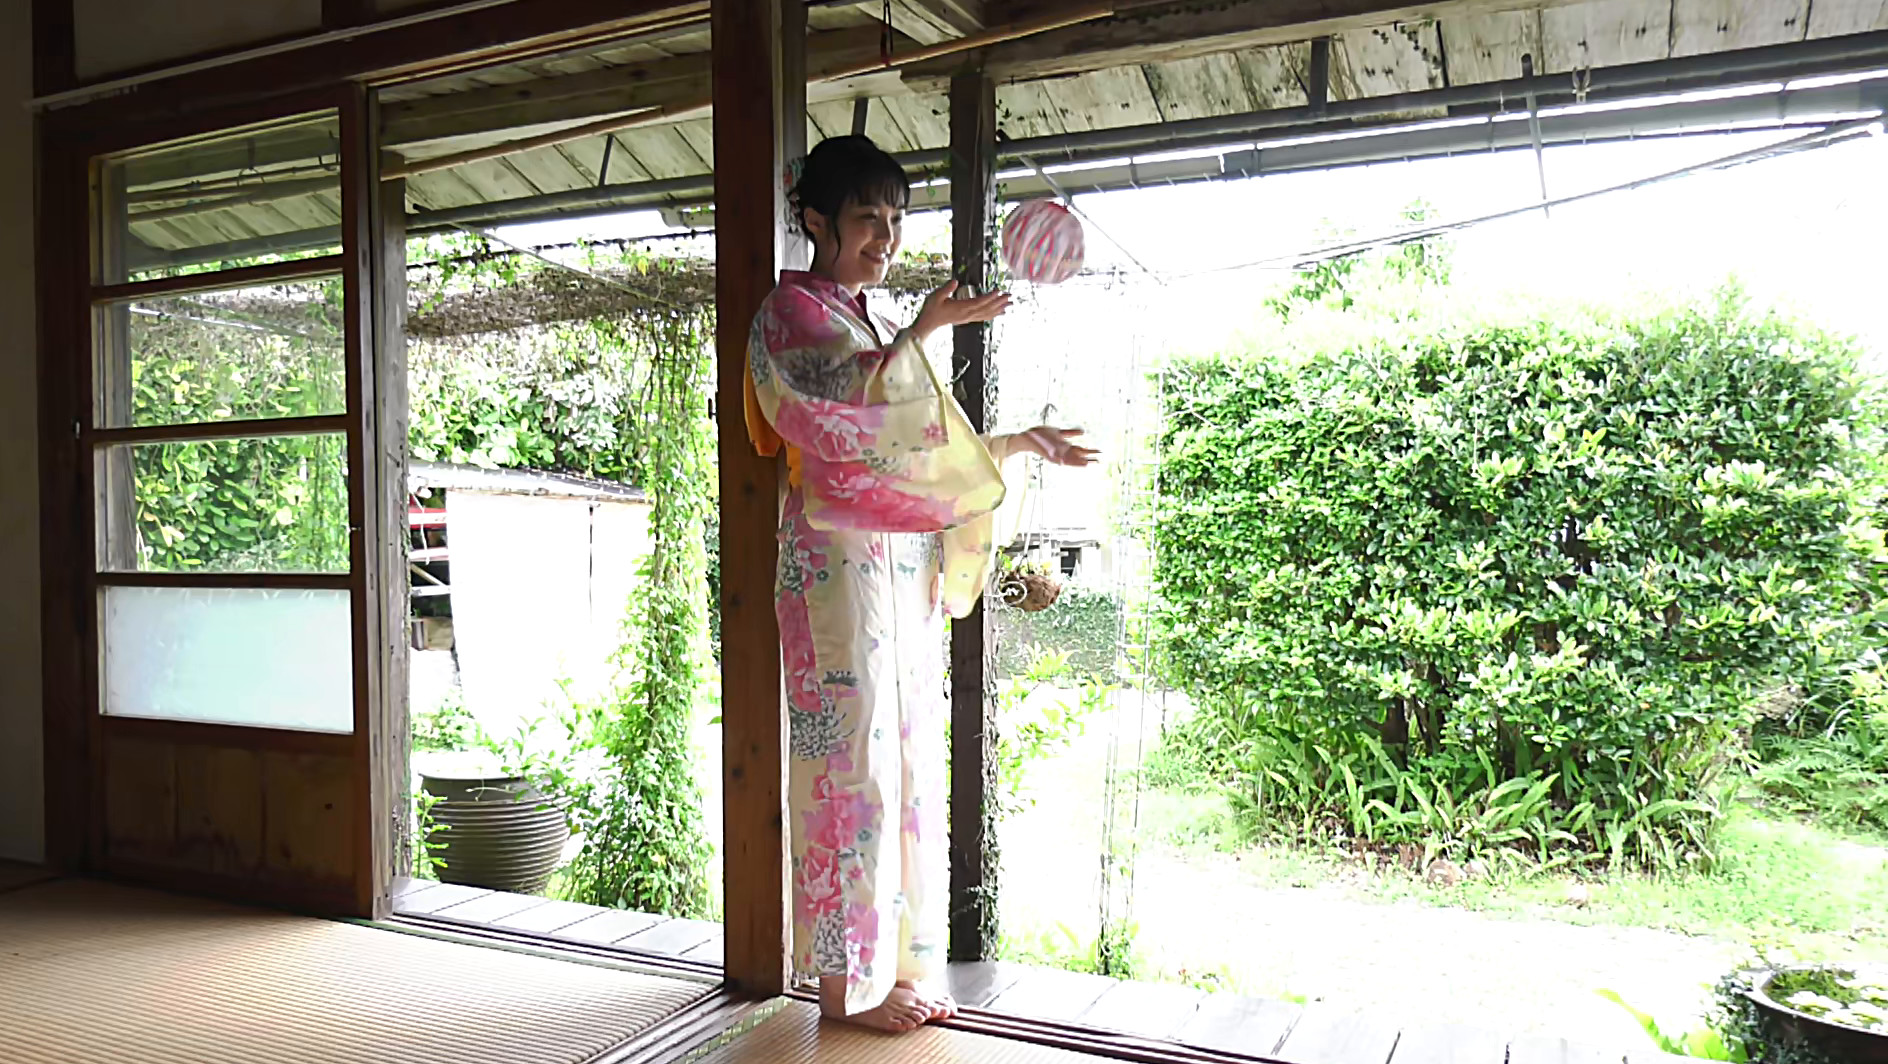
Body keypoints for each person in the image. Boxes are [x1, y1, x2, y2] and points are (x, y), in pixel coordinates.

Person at [744, 134, 1096, 1033]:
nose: (886, 237)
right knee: (845, 768)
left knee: (898, 763)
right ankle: (839, 986)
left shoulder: (864, 323)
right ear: (815, 219)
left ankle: (890, 967)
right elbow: (839, 412)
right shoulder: (789, 311)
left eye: (896, 219)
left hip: (889, 571)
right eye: (868, 217)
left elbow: (914, 441)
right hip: (830, 568)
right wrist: (925, 332)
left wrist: (1014, 444)